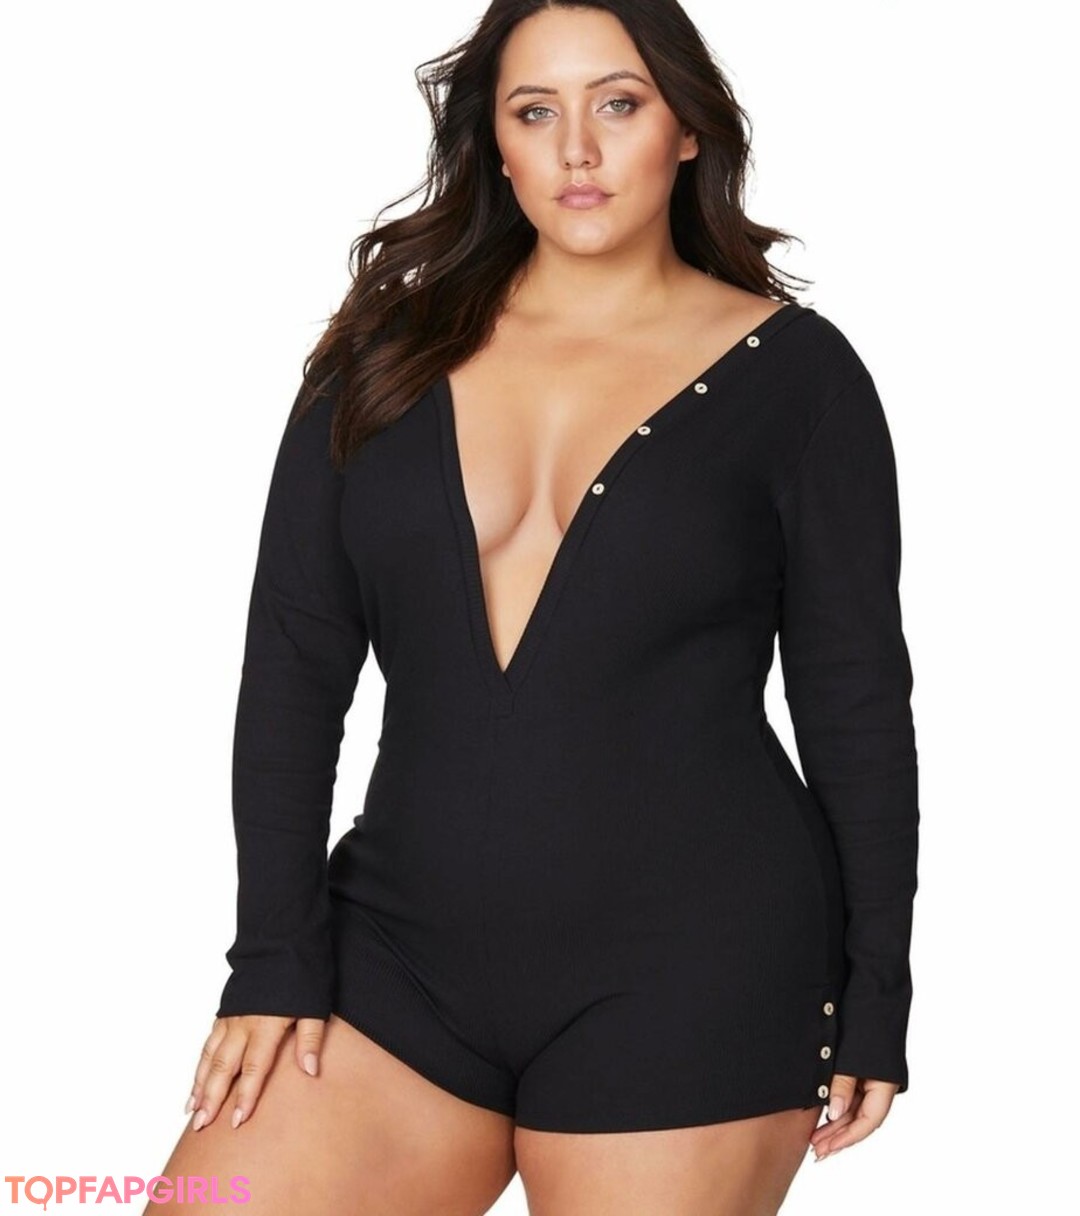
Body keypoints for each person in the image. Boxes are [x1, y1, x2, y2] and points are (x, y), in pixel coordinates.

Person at [147, 1, 920, 1212]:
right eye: (534, 111)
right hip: (395, 960)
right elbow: (294, 667)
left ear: (685, 129)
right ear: (494, 143)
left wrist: (878, 987)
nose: (578, 149)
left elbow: (856, 702)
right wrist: (273, 956)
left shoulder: (800, 378)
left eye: (618, 103)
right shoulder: (379, 358)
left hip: (698, 967)